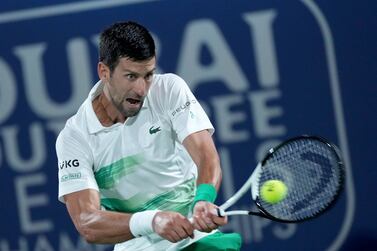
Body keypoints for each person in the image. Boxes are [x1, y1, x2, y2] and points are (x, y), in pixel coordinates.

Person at [56, 21, 242, 251]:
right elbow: (87, 223)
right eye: (131, 76)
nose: (142, 89)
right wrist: (152, 221)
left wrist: (203, 198)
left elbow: (206, 155)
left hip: (196, 241)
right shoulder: (74, 137)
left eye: (148, 75)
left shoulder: (168, 90)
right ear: (104, 72)